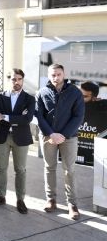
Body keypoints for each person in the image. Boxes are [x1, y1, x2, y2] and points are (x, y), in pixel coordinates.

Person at [35, 64, 85, 220]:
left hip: (68, 137)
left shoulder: (75, 92)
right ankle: (51, 200)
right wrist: (50, 134)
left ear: (64, 74)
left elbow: (78, 116)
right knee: (49, 167)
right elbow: (39, 116)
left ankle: (72, 204)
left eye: (58, 74)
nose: (55, 77)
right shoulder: (42, 92)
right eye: (53, 75)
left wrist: (62, 135)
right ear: (49, 76)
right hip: (47, 137)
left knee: (69, 169)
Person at [0, 69, 35, 214]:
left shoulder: (29, 99)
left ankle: (20, 199)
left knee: (20, 169)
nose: (16, 82)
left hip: (21, 138)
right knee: (1, 168)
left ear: (23, 80)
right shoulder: (0, 97)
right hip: (2, 136)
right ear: (9, 80)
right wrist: (14, 117)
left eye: (19, 79)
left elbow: (27, 119)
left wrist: (5, 116)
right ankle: (1, 196)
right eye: (13, 79)